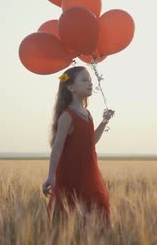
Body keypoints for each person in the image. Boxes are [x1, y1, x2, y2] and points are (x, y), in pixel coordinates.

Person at [42, 66, 115, 231]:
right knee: (69, 217)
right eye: (84, 80)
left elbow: (91, 142)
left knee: (96, 214)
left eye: (90, 80)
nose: (90, 83)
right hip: (70, 173)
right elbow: (57, 147)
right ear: (70, 87)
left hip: (89, 172)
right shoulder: (67, 116)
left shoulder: (87, 114)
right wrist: (51, 176)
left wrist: (104, 122)